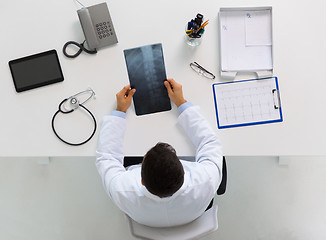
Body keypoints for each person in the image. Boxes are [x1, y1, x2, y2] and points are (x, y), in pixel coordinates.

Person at [96, 78, 223, 227]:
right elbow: (209, 142)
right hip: (191, 214)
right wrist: (181, 102)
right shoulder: (206, 180)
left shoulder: (122, 189)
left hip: (145, 219)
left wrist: (120, 110)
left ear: (141, 180)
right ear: (183, 172)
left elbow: (107, 157)